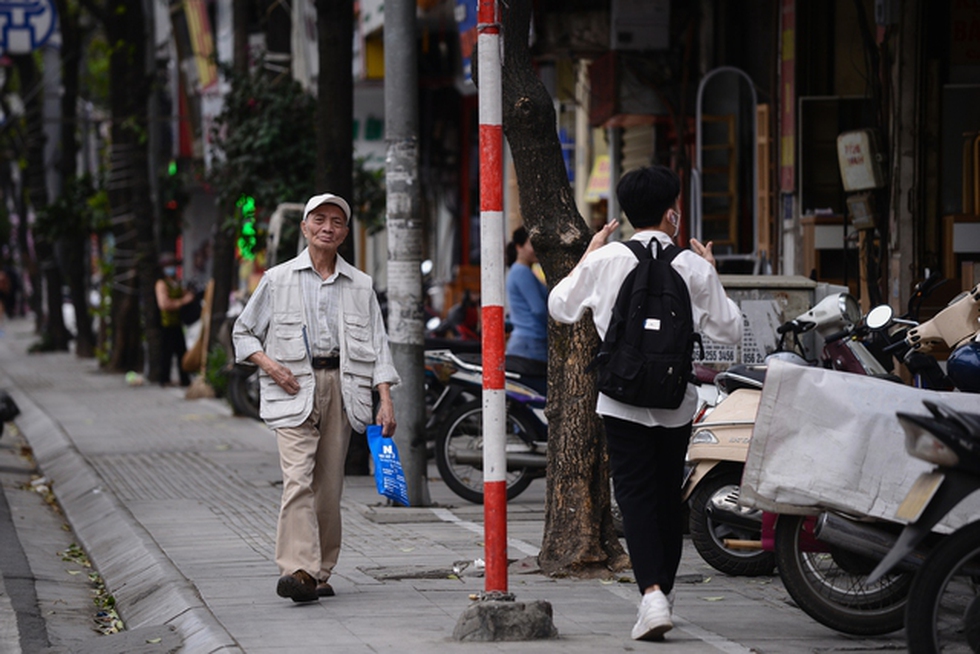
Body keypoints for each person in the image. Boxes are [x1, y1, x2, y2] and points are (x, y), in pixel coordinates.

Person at [548, 165, 742, 641]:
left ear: (626, 212)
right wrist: (711, 275)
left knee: (634, 497)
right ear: (672, 211)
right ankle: (662, 594)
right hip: (677, 400)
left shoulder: (607, 259)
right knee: (664, 499)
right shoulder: (691, 265)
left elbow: (560, 306)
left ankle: (652, 595)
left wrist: (588, 256)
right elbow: (731, 332)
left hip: (620, 399)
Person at [232, 193, 399, 603]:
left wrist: (386, 400)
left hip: (343, 388)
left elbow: (379, 347)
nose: (328, 227)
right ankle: (298, 569)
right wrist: (271, 367)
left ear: (345, 232)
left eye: (336, 222)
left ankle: (321, 571)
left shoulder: (360, 285)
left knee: (329, 486)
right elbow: (243, 333)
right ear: (305, 227)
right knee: (297, 481)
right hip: (292, 389)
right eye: (319, 220)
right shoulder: (278, 279)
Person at [505, 226, 549, 395]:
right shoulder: (522, 272)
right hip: (531, 343)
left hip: (526, 342)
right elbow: (538, 309)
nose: (537, 250)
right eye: (532, 244)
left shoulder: (520, 272)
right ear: (519, 247)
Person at [155, 252, 195, 387]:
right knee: (166, 353)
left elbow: (187, 294)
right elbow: (164, 304)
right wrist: (183, 301)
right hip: (166, 324)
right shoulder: (161, 284)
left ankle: (184, 379)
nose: (171, 269)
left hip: (177, 323)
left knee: (181, 352)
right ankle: (163, 379)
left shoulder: (177, 283)